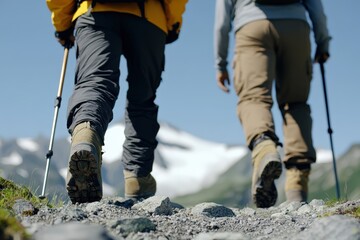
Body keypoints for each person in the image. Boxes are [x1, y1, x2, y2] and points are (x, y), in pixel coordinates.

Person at [46, 0, 188, 203]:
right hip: (150, 17)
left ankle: (85, 138)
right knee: (143, 98)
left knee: (95, 82)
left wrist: (62, 24)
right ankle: (137, 177)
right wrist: (172, 22)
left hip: (95, 11)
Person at [214, 0, 331, 208]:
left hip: (251, 27)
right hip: (296, 27)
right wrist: (323, 42)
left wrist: (220, 63)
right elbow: (317, 10)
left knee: (254, 98)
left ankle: (264, 147)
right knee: (295, 104)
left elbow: (222, 21)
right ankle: (297, 185)